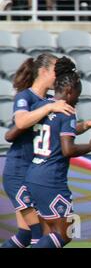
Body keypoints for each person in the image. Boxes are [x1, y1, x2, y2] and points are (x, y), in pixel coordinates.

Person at [24, 57, 91, 248]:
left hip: (34, 174)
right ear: (69, 92)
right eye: (77, 95)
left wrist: (84, 126)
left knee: (48, 232)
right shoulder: (67, 111)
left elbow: (53, 134)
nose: (77, 100)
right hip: (51, 179)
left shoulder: (41, 106)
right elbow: (67, 149)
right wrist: (90, 147)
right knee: (67, 232)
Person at [1, 53, 74, 248]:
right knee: (41, 232)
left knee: (26, 235)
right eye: (55, 72)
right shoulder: (25, 96)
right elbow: (21, 121)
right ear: (43, 71)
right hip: (18, 171)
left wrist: (84, 126)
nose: (58, 77)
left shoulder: (50, 100)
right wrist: (49, 108)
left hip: (33, 174)